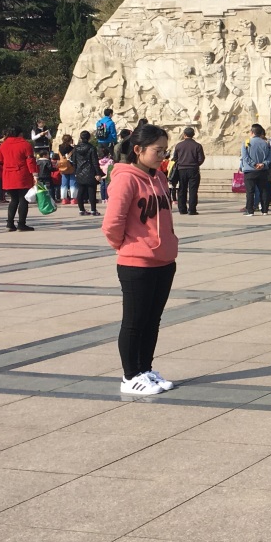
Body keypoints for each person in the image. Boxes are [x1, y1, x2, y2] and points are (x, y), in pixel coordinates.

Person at [102, 124, 179, 396]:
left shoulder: (159, 178)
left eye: (165, 150)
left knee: (152, 320)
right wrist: (126, 247)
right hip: (137, 262)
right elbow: (112, 223)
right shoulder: (126, 179)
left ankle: (145, 370)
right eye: (158, 150)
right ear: (138, 149)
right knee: (134, 322)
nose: (162, 156)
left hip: (164, 261)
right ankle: (130, 376)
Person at [0, 125, 38, 232]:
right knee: (23, 199)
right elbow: (30, 161)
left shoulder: (3, 145)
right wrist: (35, 174)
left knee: (13, 200)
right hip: (22, 174)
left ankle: (10, 223)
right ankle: (21, 224)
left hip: (8, 175)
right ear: (20, 133)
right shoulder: (25, 144)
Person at [240, 124, 271, 216]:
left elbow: (245, 157)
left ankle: (250, 210)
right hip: (263, 170)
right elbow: (270, 156)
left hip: (250, 170)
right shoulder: (266, 143)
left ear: (252, 132)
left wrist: (254, 164)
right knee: (263, 190)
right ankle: (264, 210)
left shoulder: (246, 143)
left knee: (250, 191)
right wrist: (263, 164)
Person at [171, 127, 205, 215]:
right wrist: (195, 164)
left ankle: (182, 209)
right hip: (193, 169)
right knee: (193, 190)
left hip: (181, 170)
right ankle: (192, 210)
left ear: (184, 135)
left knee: (182, 189)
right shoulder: (197, 145)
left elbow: (175, 158)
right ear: (193, 135)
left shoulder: (179, 145)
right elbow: (201, 159)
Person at [70, 130, 103, 216]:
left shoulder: (76, 148)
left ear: (81, 137)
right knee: (91, 191)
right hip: (90, 171)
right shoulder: (91, 148)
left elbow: (74, 161)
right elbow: (95, 161)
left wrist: (75, 171)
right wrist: (98, 173)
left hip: (79, 171)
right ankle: (93, 210)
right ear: (89, 138)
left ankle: (81, 209)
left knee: (80, 191)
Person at [56, 134, 78, 205]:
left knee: (64, 184)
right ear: (70, 140)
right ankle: (73, 199)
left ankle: (64, 199)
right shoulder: (72, 149)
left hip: (63, 167)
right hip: (71, 167)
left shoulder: (60, 147)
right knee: (73, 183)